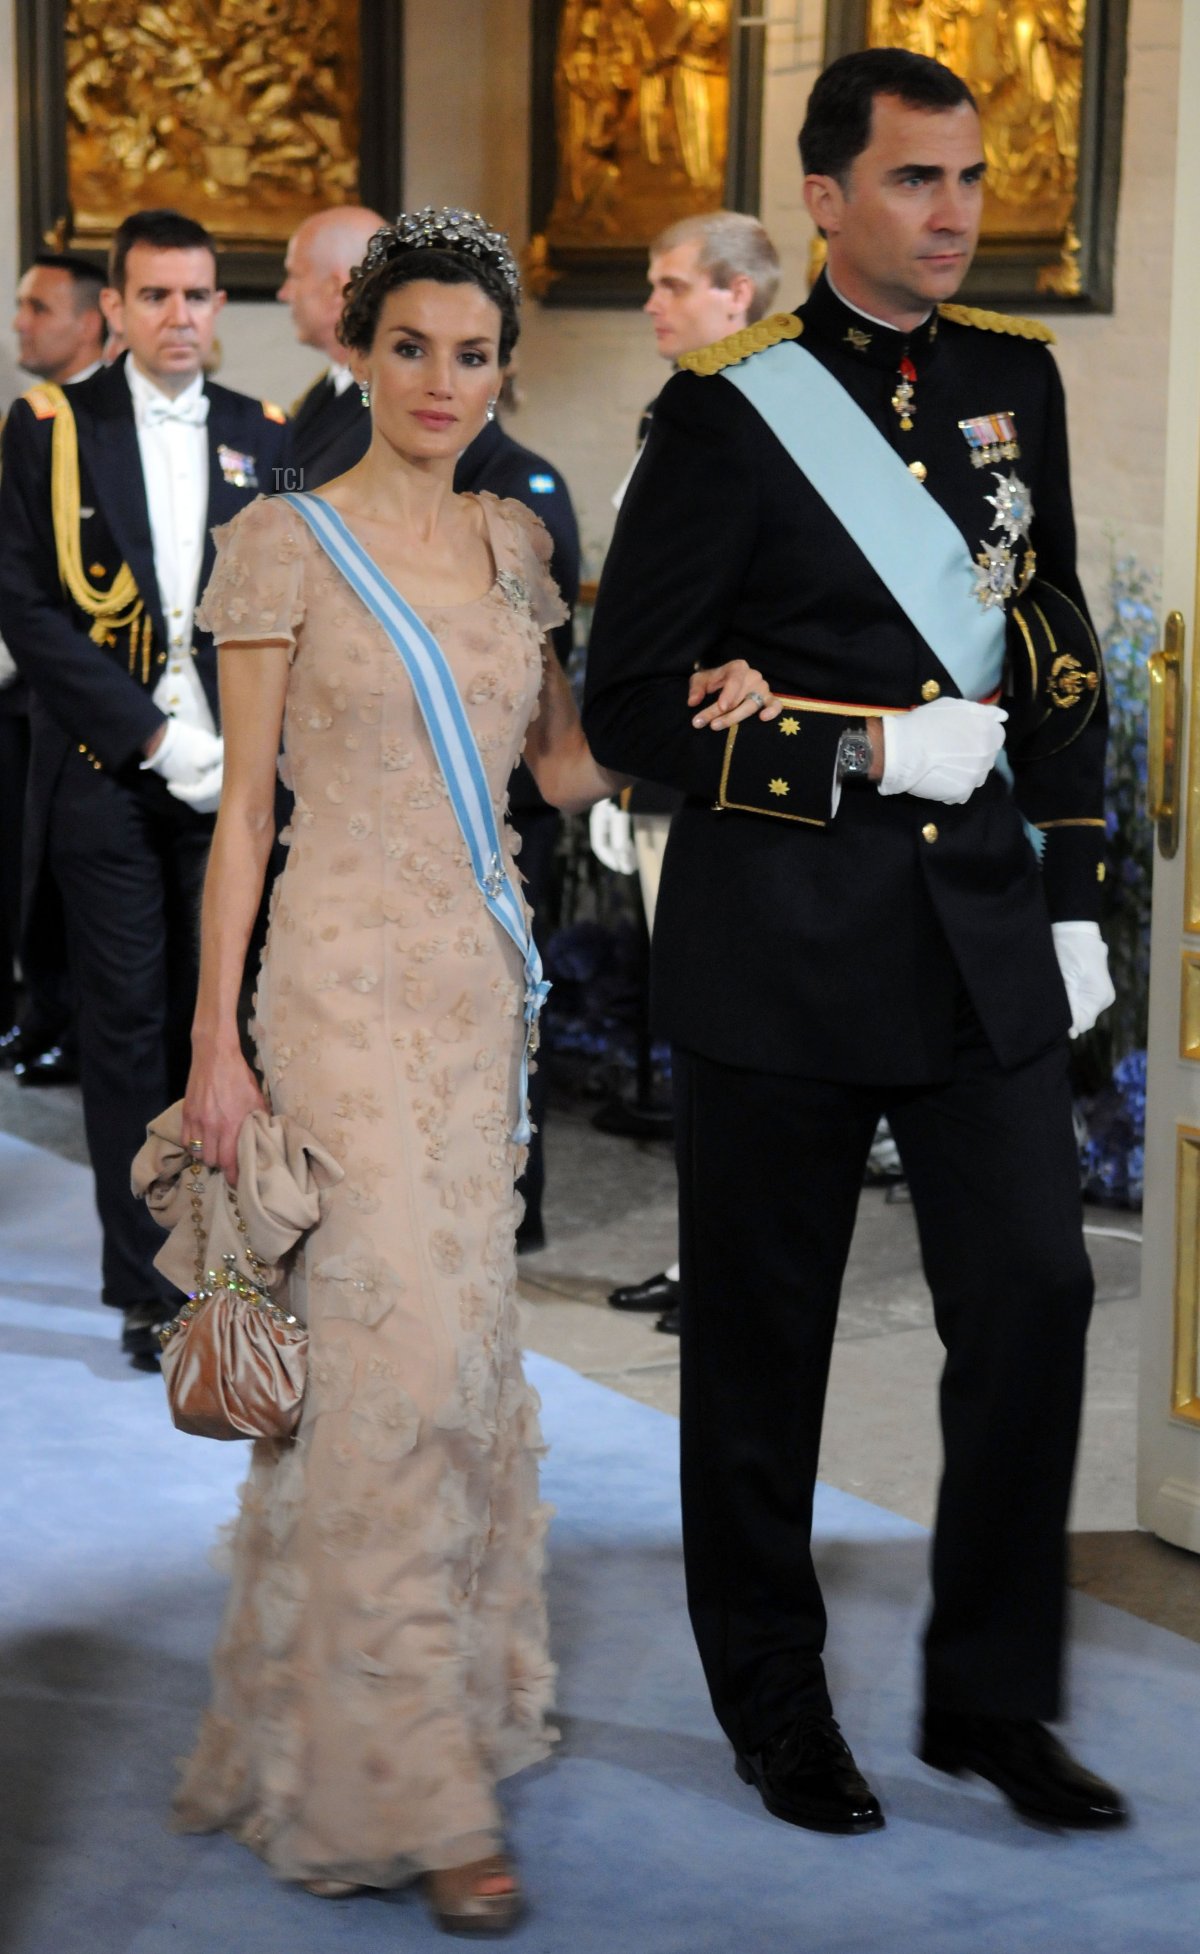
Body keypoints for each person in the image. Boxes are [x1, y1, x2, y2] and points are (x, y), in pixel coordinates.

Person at [174, 206, 772, 1927]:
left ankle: (401, 1704)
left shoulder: (521, 540)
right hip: (338, 997)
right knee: (388, 1364)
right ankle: (414, 1787)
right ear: (359, 352)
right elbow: (242, 822)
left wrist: (714, 698)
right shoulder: (284, 545)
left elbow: (570, 769)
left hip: (476, 1012)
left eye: (475, 351)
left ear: (504, 367)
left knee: (452, 1371)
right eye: (412, 346)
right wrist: (215, 1045)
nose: (445, 379)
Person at [584, 48, 1127, 1836]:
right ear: (826, 199)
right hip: (786, 931)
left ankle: (988, 1700)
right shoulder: (735, 408)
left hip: (976, 926)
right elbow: (633, 700)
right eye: (914, 180)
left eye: (968, 177)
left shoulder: (1012, 383)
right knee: (766, 1337)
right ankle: (772, 1699)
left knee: (1038, 1293)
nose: (955, 211)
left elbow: (1046, 645)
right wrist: (853, 746)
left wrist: (1069, 891)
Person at [0, 208, 289, 1368]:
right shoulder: (49, 427)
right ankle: (145, 1283)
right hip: (110, 772)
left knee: (221, 1028)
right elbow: (23, 605)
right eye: (158, 296)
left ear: (221, 309)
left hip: (242, 784)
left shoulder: (259, 431)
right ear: (115, 308)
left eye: (200, 296)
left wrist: (251, 752)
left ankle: (235, 1258)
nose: (182, 317)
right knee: (127, 1032)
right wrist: (158, 740)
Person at [596, 209, 780, 1332]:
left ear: (736, 298)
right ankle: (699, 1252)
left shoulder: (760, 424)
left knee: (733, 1043)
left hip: (726, 771)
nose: (653, 304)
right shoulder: (679, 419)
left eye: (672, 285)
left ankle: (727, 1268)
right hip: (662, 768)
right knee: (696, 1038)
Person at [455, 373, 581, 1252]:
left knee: (504, 1019)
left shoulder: (524, 483)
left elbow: (548, 652)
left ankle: (514, 1203)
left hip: (505, 797)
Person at [1, 253, 110, 1084]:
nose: (20, 323)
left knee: (74, 865)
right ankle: (44, 1009)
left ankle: (73, 1021)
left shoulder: (108, 420)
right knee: (28, 861)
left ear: (89, 320)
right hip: (29, 676)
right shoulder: (33, 418)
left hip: (103, 685)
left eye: (38, 307)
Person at [277, 205, 386, 489]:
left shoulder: (388, 402)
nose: (284, 293)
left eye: (295, 275)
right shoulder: (325, 391)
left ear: (337, 288)